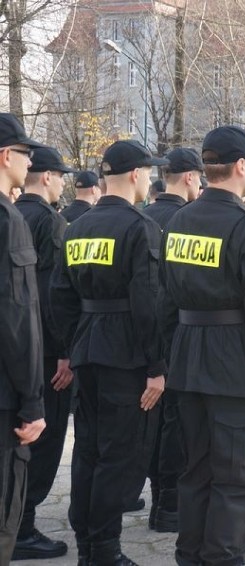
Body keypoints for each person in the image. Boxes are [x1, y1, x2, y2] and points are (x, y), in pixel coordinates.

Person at [157, 126, 245, 566]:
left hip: (189, 361)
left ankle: (191, 558)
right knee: (238, 483)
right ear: (242, 166)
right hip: (236, 368)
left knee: (196, 475)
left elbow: (164, 299)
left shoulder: (179, 220)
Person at [50, 140, 168, 566]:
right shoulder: (140, 227)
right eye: (147, 172)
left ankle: (89, 546)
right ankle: (104, 551)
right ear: (136, 174)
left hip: (88, 347)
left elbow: (59, 296)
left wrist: (71, 344)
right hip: (127, 355)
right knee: (121, 457)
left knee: (88, 452)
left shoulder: (77, 225)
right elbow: (148, 301)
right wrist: (157, 366)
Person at [12, 146, 76, 561]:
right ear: (48, 177)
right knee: (44, 443)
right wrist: (65, 351)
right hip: (46, 352)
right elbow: (54, 294)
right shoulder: (52, 223)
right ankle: (24, 526)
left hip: (19, 347)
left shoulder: (14, 215)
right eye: (62, 176)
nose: (64, 183)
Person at [143, 147, 204, 534]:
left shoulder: (143, 216)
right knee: (175, 427)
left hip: (137, 338)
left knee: (152, 427)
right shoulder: (186, 221)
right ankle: (168, 505)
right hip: (175, 336)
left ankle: (159, 500)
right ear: (189, 178)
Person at [0, 113, 47, 565]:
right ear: (4, 156)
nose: (28, 161)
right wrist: (32, 402)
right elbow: (17, 318)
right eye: (25, 153)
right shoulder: (7, 221)